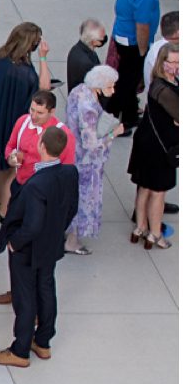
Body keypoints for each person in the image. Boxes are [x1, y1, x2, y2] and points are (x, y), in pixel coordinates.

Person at [0, 126, 79, 368]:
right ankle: (43, 342)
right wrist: (56, 231)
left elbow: (32, 224)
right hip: (50, 245)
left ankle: (20, 350)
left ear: (41, 146)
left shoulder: (38, 184)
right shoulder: (70, 173)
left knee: (25, 297)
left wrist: (14, 242)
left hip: (28, 248)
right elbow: (71, 209)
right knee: (46, 290)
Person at [0, 23, 55, 215]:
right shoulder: (23, 71)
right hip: (17, 122)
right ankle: (4, 212)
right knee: (15, 169)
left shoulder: (4, 57)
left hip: (1, 117)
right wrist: (43, 57)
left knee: (3, 165)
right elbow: (44, 89)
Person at [67, 66, 123, 254]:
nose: (112, 90)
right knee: (82, 200)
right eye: (109, 86)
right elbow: (91, 143)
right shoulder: (89, 108)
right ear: (98, 86)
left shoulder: (79, 90)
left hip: (72, 154)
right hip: (85, 162)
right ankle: (72, 241)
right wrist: (113, 134)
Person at [131, 47, 178, 247]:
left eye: (178, 62)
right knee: (158, 191)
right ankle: (155, 234)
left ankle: (139, 228)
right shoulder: (164, 88)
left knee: (145, 187)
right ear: (162, 62)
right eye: (172, 62)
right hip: (160, 146)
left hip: (146, 141)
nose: (175, 67)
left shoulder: (157, 84)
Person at [113, 0, 163, 132]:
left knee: (125, 77)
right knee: (129, 80)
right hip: (134, 42)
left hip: (122, 34)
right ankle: (127, 119)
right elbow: (142, 27)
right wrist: (143, 51)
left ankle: (121, 109)